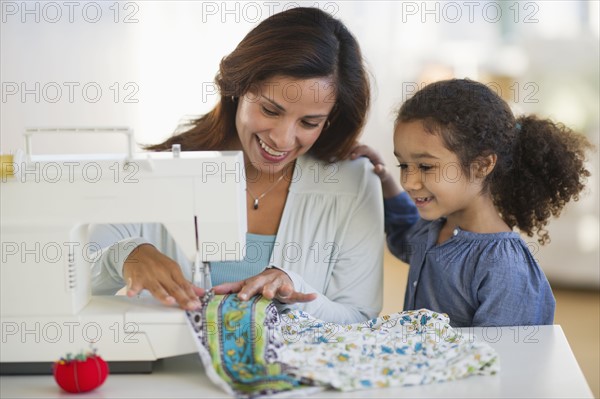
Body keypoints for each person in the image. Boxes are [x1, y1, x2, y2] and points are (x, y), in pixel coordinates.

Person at [90, 7, 384, 324]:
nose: (284, 139)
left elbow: (359, 318)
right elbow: (80, 267)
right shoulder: (163, 171)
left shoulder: (353, 183)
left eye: (309, 122)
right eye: (271, 110)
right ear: (239, 88)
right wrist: (126, 255)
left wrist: (295, 290)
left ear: (331, 119)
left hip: (294, 372)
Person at [351, 78, 594, 327]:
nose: (409, 182)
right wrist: (384, 180)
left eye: (425, 166)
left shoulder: (505, 268)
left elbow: (508, 357)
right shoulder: (434, 228)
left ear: (482, 165)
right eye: (403, 165)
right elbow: (405, 237)